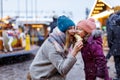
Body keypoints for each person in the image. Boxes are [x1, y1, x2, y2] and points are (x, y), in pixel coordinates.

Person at [29, 15, 83, 80]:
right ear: (63, 32)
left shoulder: (63, 41)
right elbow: (63, 70)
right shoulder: (53, 45)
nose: (73, 31)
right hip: (40, 75)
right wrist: (74, 52)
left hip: (51, 73)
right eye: (69, 28)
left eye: (74, 28)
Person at [106, 11, 120, 80]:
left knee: (117, 62)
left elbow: (110, 37)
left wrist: (110, 45)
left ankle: (119, 75)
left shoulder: (112, 25)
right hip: (116, 46)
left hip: (116, 47)